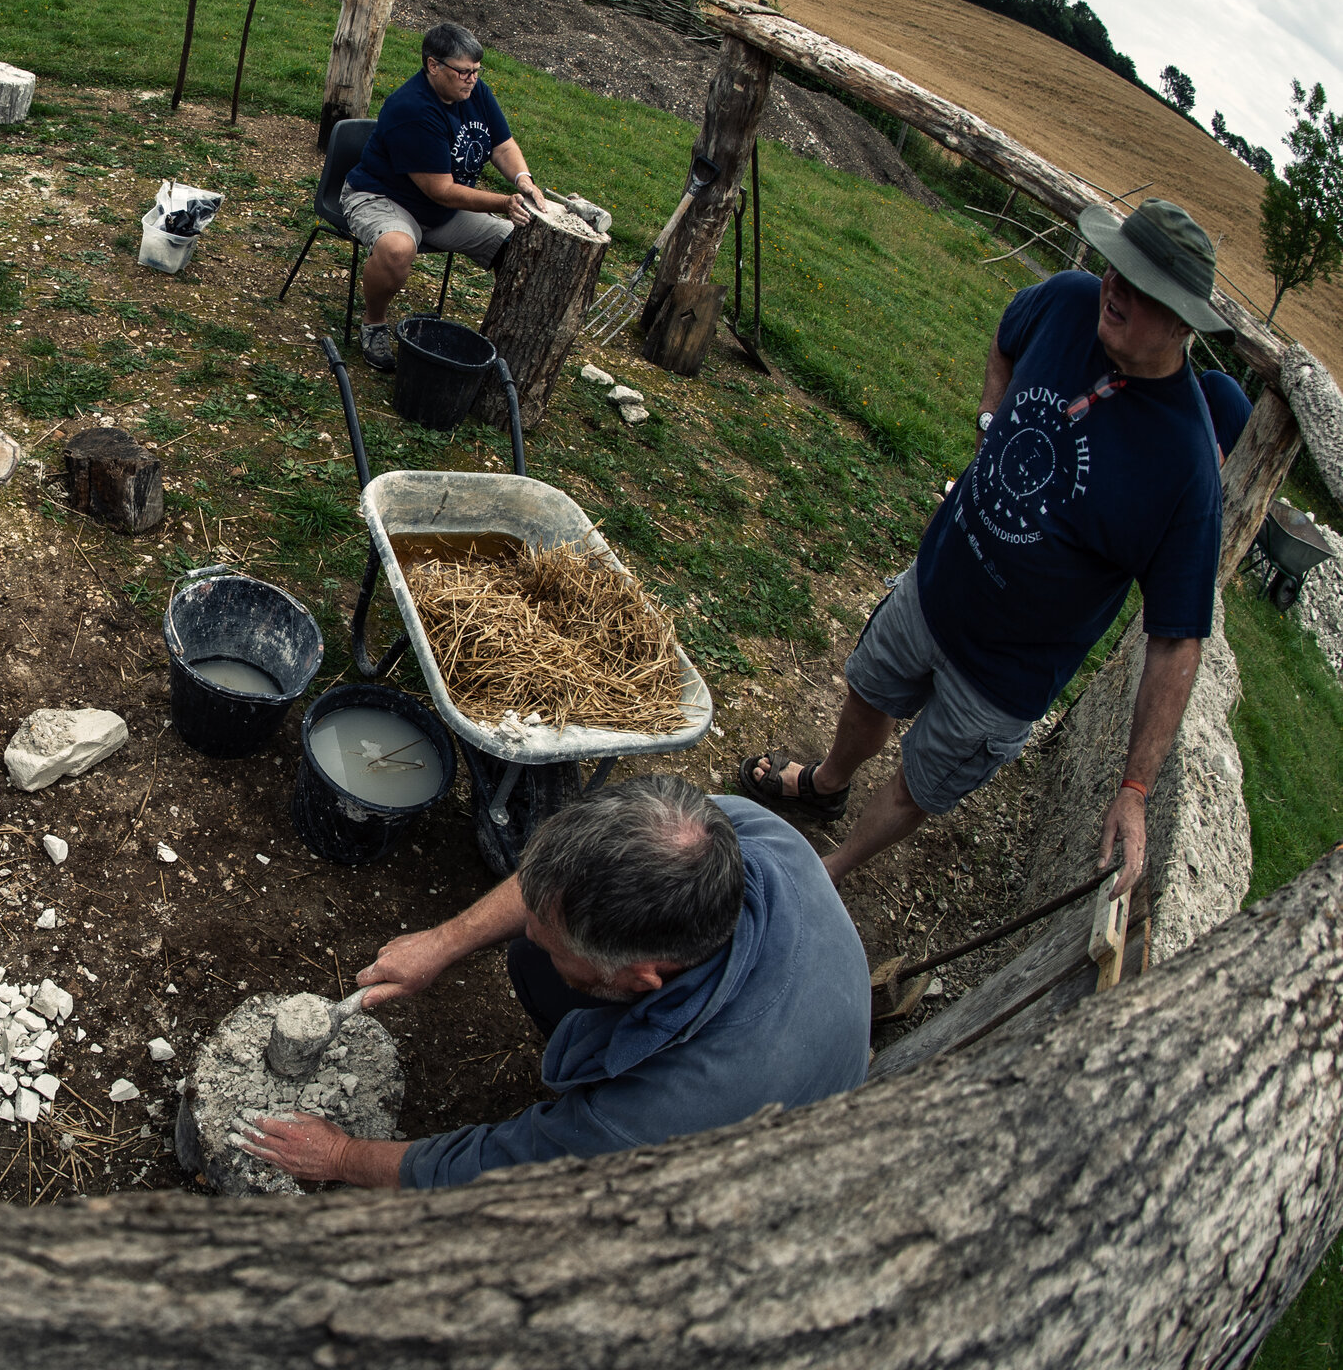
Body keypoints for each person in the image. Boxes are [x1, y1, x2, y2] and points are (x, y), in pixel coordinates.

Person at [740, 199, 1230, 898]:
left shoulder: (1185, 467)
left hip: (1003, 678)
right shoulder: (1067, 302)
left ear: (1182, 321)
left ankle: (828, 872)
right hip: (935, 585)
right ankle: (825, 784)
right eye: (1118, 268)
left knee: (920, 784)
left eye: (1141, 286)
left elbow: (1178, 640)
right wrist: (987, 430)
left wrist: (1134, 788)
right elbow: (1007, 337)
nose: (1115, 288)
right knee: (868, 692)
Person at [234, 776, 869, 1188]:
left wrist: (342, 1156)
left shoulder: (659, 1117)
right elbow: (552, 886)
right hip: (768, 1022)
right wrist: (442, 944)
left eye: (552, 932)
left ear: (643, 976)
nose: (530, 930)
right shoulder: (731, 833)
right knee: (534, 960)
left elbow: (489, 1168)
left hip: (742, 1171)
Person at [340, 21, 541, 372]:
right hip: (384, 198)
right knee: (397, 248)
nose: (472, 79)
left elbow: (503, 145)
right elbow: (442, 191)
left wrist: (522, 180)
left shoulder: (475, 93)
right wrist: (503, 203)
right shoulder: (413, 108)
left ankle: (506, 341)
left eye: (477, 71)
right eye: (464, 72)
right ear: (433, 65)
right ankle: (373, 324)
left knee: (519, 245)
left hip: (440, 212)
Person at [1198, 365, 1252, 461]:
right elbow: (1218, 459)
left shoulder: (1239, 426)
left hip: (1214, 382)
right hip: (1211, 384)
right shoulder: (1239, 428)